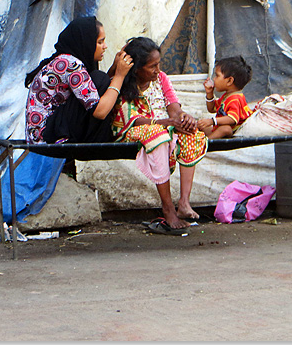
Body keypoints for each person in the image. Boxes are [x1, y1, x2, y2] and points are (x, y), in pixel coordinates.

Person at [112, 37, 208, 230]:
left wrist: (182, 117)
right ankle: (168, 209)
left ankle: (184, 203)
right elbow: (132, 119)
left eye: (158, 64)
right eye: (152, 66)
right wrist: (166, 123)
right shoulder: (123, 82)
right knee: (158, 135)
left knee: (192, 133)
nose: (157, 70)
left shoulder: (161, 78)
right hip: (132, 129)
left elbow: (173, 107)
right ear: (137, 68)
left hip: (164, 127)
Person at [25, 16, 133, 144]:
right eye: (100, 42)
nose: (105, 46)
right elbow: (100, 112)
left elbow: (92, 90)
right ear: (86, 42)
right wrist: (119, 76)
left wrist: (114, 69)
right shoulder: (70, 64)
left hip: (45, 131)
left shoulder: (68, 60)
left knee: (100, 79)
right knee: (100, 78)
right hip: (44, 135)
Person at [198, 56, 253, 139]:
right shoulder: (227, 96)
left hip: (231, 130)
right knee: (202, 126)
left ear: (229, 81)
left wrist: (212, 121)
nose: (214, 79)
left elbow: (232, 119)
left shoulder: (235, 99)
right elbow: (212, 109)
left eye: (217, 76)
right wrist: (209, 94)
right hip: (218, 127)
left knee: (225, 129)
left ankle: (206, 142)